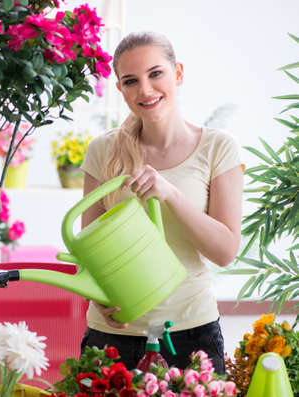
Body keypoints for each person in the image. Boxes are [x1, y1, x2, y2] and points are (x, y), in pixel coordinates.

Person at [79, 31, 244, 374]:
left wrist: (170, 193)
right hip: (113, 336)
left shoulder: (217, 148)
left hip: (190, 333)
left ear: (178, 73)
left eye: (156, 74)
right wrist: (97, 293)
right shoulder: (102, 151)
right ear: (120, 90)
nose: (145, 90)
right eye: (131, 81)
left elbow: (225, 251)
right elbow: (88, 249)